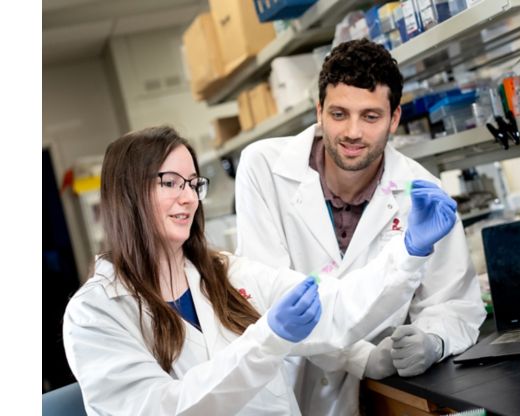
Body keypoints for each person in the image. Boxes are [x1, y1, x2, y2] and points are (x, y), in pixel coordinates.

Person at [62, 126, 460, 415]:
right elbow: (164, 409)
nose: (188, 198)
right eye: (170, 182)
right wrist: (269, 339)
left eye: (193, 183)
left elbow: (334, 305)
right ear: (127, 193)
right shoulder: (96, 313)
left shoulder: (225, 273)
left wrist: (410, 251)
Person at [234, 38, 487, 415]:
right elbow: (268, 300)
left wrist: (432, 338)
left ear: (394, 118)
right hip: (280, 388)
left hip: (372, 398)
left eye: (370, 116)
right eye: (339, 114)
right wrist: (362, 357)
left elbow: (454, 302)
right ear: (319, 111)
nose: (352, 132)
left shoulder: (424, 192)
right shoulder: (263, 168)